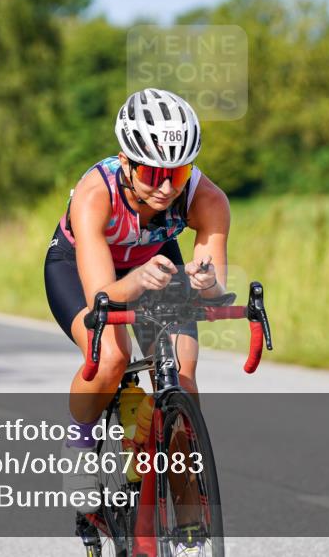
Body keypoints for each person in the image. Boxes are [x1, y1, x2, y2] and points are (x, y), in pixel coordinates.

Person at [43, 87, 231, 517]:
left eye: (178, 173)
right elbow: (102, 300)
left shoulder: (207, 199)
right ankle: (81, 441)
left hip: (157, 264)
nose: (166, 188)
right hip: (81, 268)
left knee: (181, 380)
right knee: (111, 355)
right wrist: (136, 282)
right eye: (151, 174)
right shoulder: (96, 194)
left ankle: (189, 528)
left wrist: (206, 283)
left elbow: (214, 287)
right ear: (126, 162)